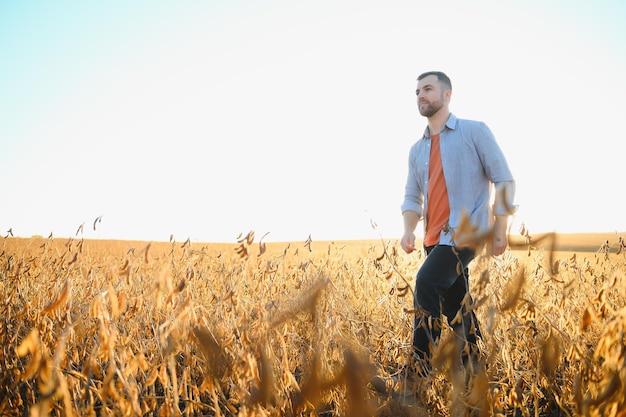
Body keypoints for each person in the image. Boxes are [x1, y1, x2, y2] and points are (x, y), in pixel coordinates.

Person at [401, 71, 515, 376]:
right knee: (458, 309)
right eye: (417, 92)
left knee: (426, 282)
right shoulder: (417, 149)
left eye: (427, 89)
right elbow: (413, 197)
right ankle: (476, 370)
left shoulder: (474, 132)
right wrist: (409, 229)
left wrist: (500, 227)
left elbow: (503, 178)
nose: (421, 95)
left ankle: (417, 371)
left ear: (447, 94)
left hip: (468, 232)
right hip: (433, 239)